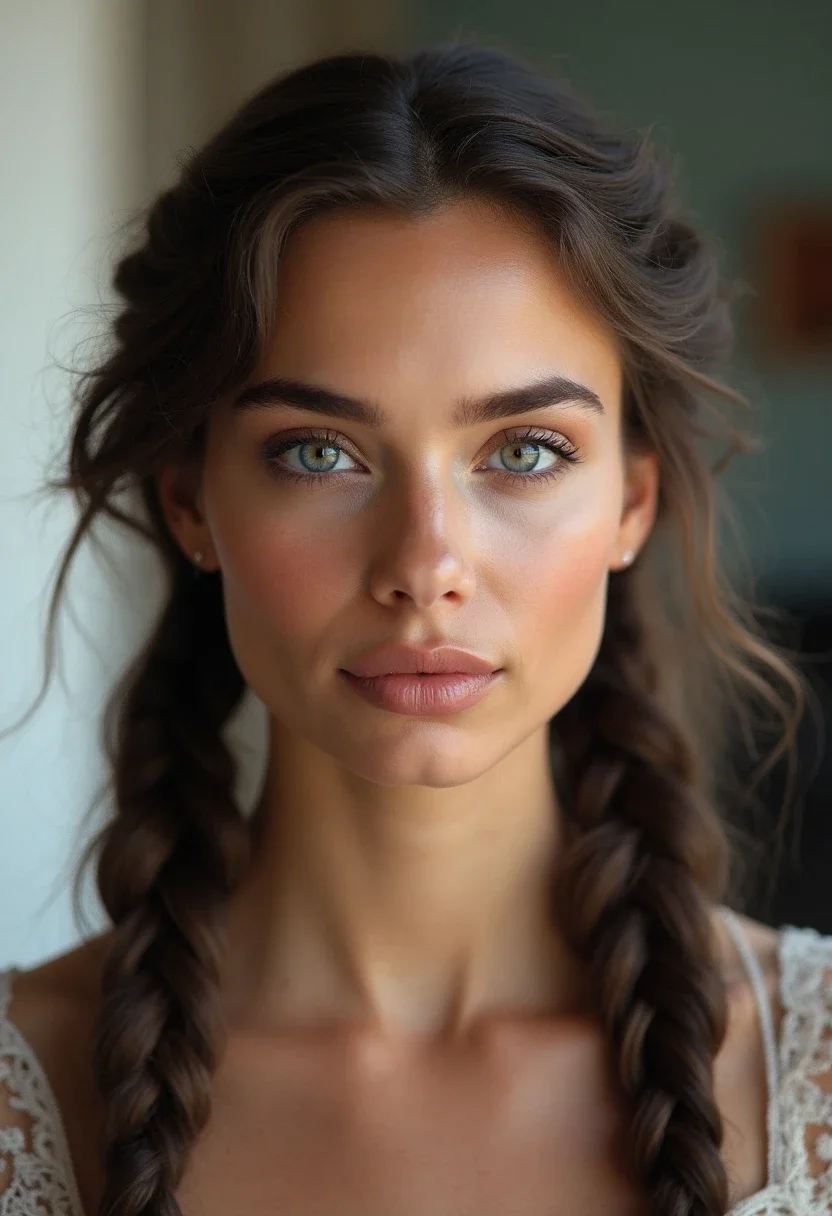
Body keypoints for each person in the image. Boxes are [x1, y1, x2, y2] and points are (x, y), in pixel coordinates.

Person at [0, 40, 830, 1216]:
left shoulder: (818, 1071)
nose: (424, 565)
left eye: (524, 452)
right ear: (192, 501)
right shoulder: (23, 1092)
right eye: (319, 452)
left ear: (630, 503)